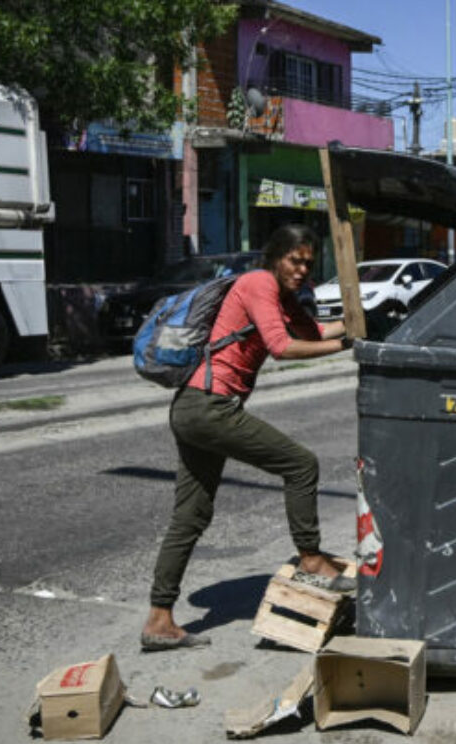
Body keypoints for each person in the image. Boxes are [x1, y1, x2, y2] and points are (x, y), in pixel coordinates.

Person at [141, 224, 353, 651]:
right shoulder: (258, 282)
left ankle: (158, 620)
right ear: (275, 256)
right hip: (207, 406)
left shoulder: (281, 297)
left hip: (197, 408)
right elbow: (281, 346)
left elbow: (311, 333)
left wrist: (359, 325)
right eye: (295, 260)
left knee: (191, 515)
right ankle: (310, 555)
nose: (302, 269)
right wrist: (347, 344)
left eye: (309, 263)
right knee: (300, 464)